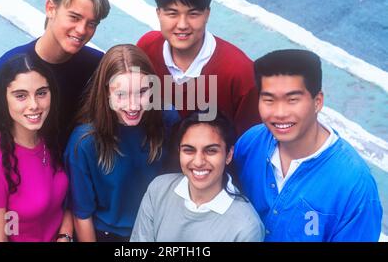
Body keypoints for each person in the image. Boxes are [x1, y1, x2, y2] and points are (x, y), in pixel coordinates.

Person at [233, 49, 383, 241]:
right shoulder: (250, 142)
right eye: (269, 100)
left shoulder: (355, 185)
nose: (279, 113)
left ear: (317, 101)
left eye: (292, 100)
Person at [0, 0, 110, 145]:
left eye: (92, 23)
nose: (82, 30)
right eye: (74, 17)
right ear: (50, 9)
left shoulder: (98, 65)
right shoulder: (1, 72)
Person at [64, 44, 180, 242]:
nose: (133, 105)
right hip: (110, 235)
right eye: (121, 95)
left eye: (141, 91)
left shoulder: (167, 119)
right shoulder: (84, 142)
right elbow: (82, 214)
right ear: (106, 93)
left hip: (159, 227)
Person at [137, 0, 260, 140]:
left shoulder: (240, 73)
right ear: (159, 14)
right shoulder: (146, 48)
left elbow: (250, 143)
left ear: (207, 14)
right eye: (172, 13)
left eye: (193, 14)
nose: (182, 25)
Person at [0, 54, 72, 242]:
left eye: (41, 93)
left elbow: (63, 203)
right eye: (21, 96)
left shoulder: (49, 138)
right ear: (4, 99)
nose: (34, 105)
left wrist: (65, 236)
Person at [130, 111, 264, 242]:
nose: (198, 162)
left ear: (228, 155)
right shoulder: (158, 190)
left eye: (211, 151)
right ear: (179, 152)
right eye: (189, 150)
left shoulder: (247, 226)